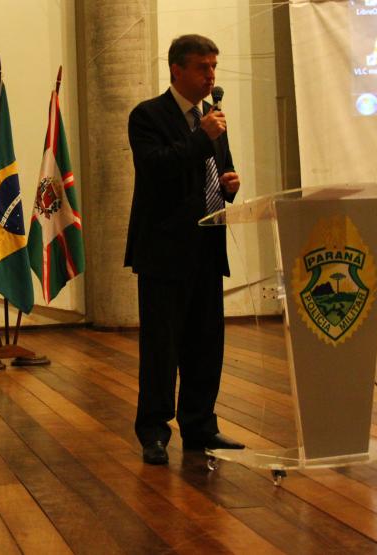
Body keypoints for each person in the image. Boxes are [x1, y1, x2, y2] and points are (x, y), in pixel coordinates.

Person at [125, 34, 245, 465]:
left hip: (208, 248)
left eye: (214, 67)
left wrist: (231, 184)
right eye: (202, 67)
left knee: (206, 344)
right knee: (162, 348)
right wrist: (202, 138)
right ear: (177, 70)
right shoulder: (147, 116)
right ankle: (154, 432)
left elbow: (216, 173)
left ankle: (201, 427)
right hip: (164, 251)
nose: (211, 75)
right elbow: (155, 168)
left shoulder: (212, 117)